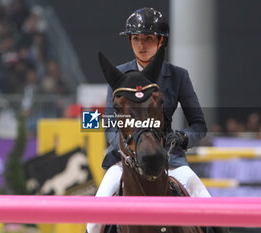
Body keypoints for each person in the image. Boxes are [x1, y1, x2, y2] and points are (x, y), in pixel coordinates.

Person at [87, 7, 210, 233]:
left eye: (148, 38)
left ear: (161, 41)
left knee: (209, 207)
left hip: (169, 160)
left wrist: (182, 138)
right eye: (136, 39)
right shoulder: (118, 76)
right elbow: (110, 127)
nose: (141, 45)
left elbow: (199, 125)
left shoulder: (178, 76)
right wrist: (132, 150)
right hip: (125, 162)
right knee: (93, 222)